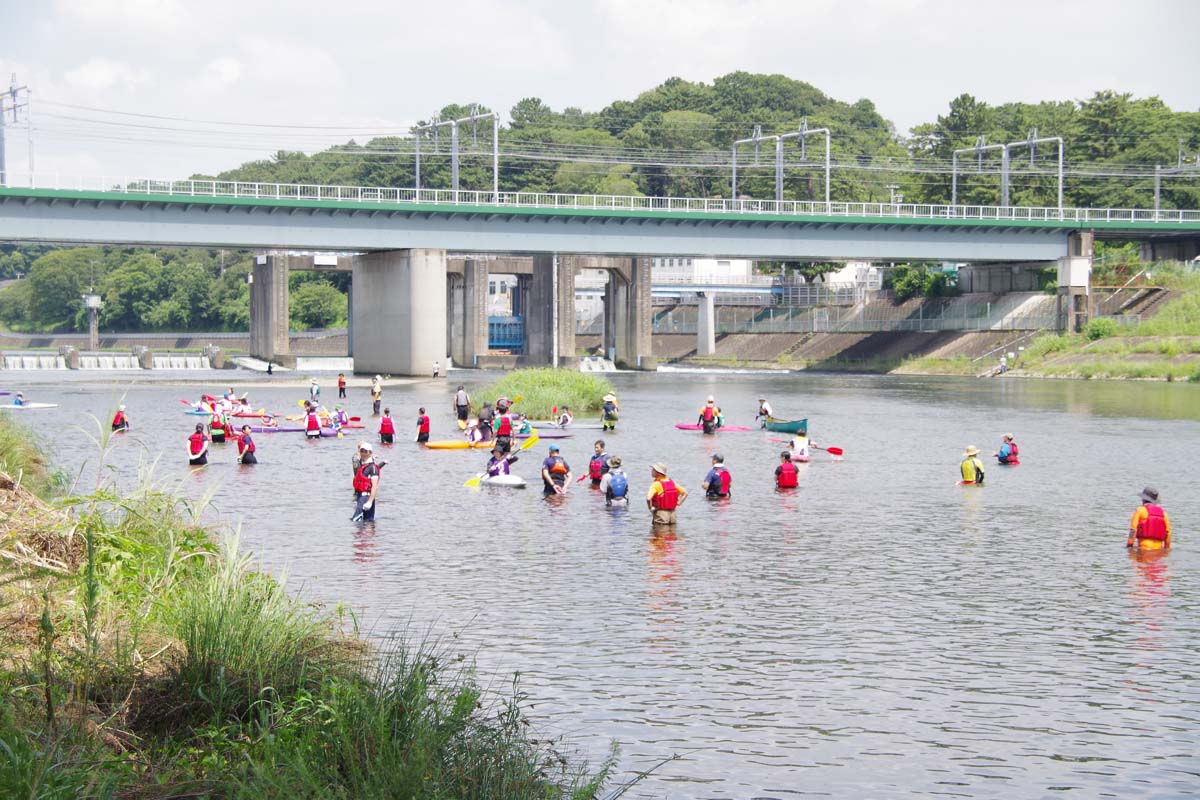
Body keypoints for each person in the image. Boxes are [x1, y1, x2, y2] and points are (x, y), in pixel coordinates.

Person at [351, 442, 379, 522]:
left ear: (370, 453)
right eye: (361, 451)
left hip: (366, 497)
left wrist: (370, 501)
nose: (363, 453)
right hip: (360, 497)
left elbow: (374, 486)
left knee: (356, 521)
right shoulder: (362, 466)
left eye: (365, 451)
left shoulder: (372, 467)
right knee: (365, 523)